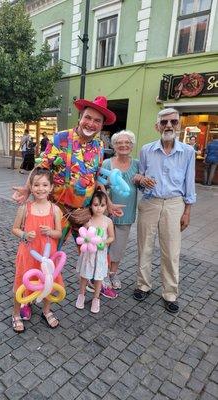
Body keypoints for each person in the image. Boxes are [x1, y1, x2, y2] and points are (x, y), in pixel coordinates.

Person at [13, 96, 124, 320]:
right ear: (80, 117)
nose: (91, 124)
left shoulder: (100, 145)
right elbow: (42, 166)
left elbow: (96, 178)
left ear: (102, 125)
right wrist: (28, 189)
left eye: (97, 121)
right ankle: (29, 295)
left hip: (85, 213)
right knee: (45, 255)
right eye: (88, 118)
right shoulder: (62, 138)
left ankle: (95, 285)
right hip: (59, 211)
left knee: (95, 250)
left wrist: (107, 203)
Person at [133, 108, 196, 314]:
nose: (169, 125)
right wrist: (142, 180)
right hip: (150, 203)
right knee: (145, 247)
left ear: (179, 125)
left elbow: (190, 183)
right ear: (157, 126)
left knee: (171, 251)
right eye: (164, 122)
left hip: (174, 204)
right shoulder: (146, 150)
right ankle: (143, 285)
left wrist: (187, 211)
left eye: (173, 122)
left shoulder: (187, 152)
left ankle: (170, 293)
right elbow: (140, 177)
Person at [12, 167, 64, 332]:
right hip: (28, 253)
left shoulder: (55, 210)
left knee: (48, 282)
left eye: (44, 185)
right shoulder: (25, 208)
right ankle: (16, 313)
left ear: (51, 187)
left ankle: (46, 310)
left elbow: (59, 233)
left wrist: (51, 232)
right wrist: (25, 235)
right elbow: (15, 229)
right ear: (31, 187)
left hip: (47, 256)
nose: (40, 188)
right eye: (36, 185)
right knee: (21, 282)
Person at [98, 130, 139, 298]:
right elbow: (99, 184)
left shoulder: (137, 164)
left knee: (119, 246)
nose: (123, 145)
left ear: (132, 145)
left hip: (126, 212)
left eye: (127, 142)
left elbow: (142, 183)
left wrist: (142, 178)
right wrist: (108, 202)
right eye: (119, 143)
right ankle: (103, 274)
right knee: (103, 245)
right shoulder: (107, 163)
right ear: (114, 146)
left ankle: (113, 273)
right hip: (107, 212)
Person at [76, 190, 114, 313]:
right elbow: (83, 234)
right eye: (96, 205)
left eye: (102, 205)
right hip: (88, 254)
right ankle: (81, 295)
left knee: (98, 277)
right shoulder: (88, 220)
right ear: (91, 205)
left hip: (101, 254)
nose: (99, 208)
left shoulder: (108, 221)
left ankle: (96, 299)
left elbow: (112, 237)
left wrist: (104, 242)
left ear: (106, 206)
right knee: (84, 275)